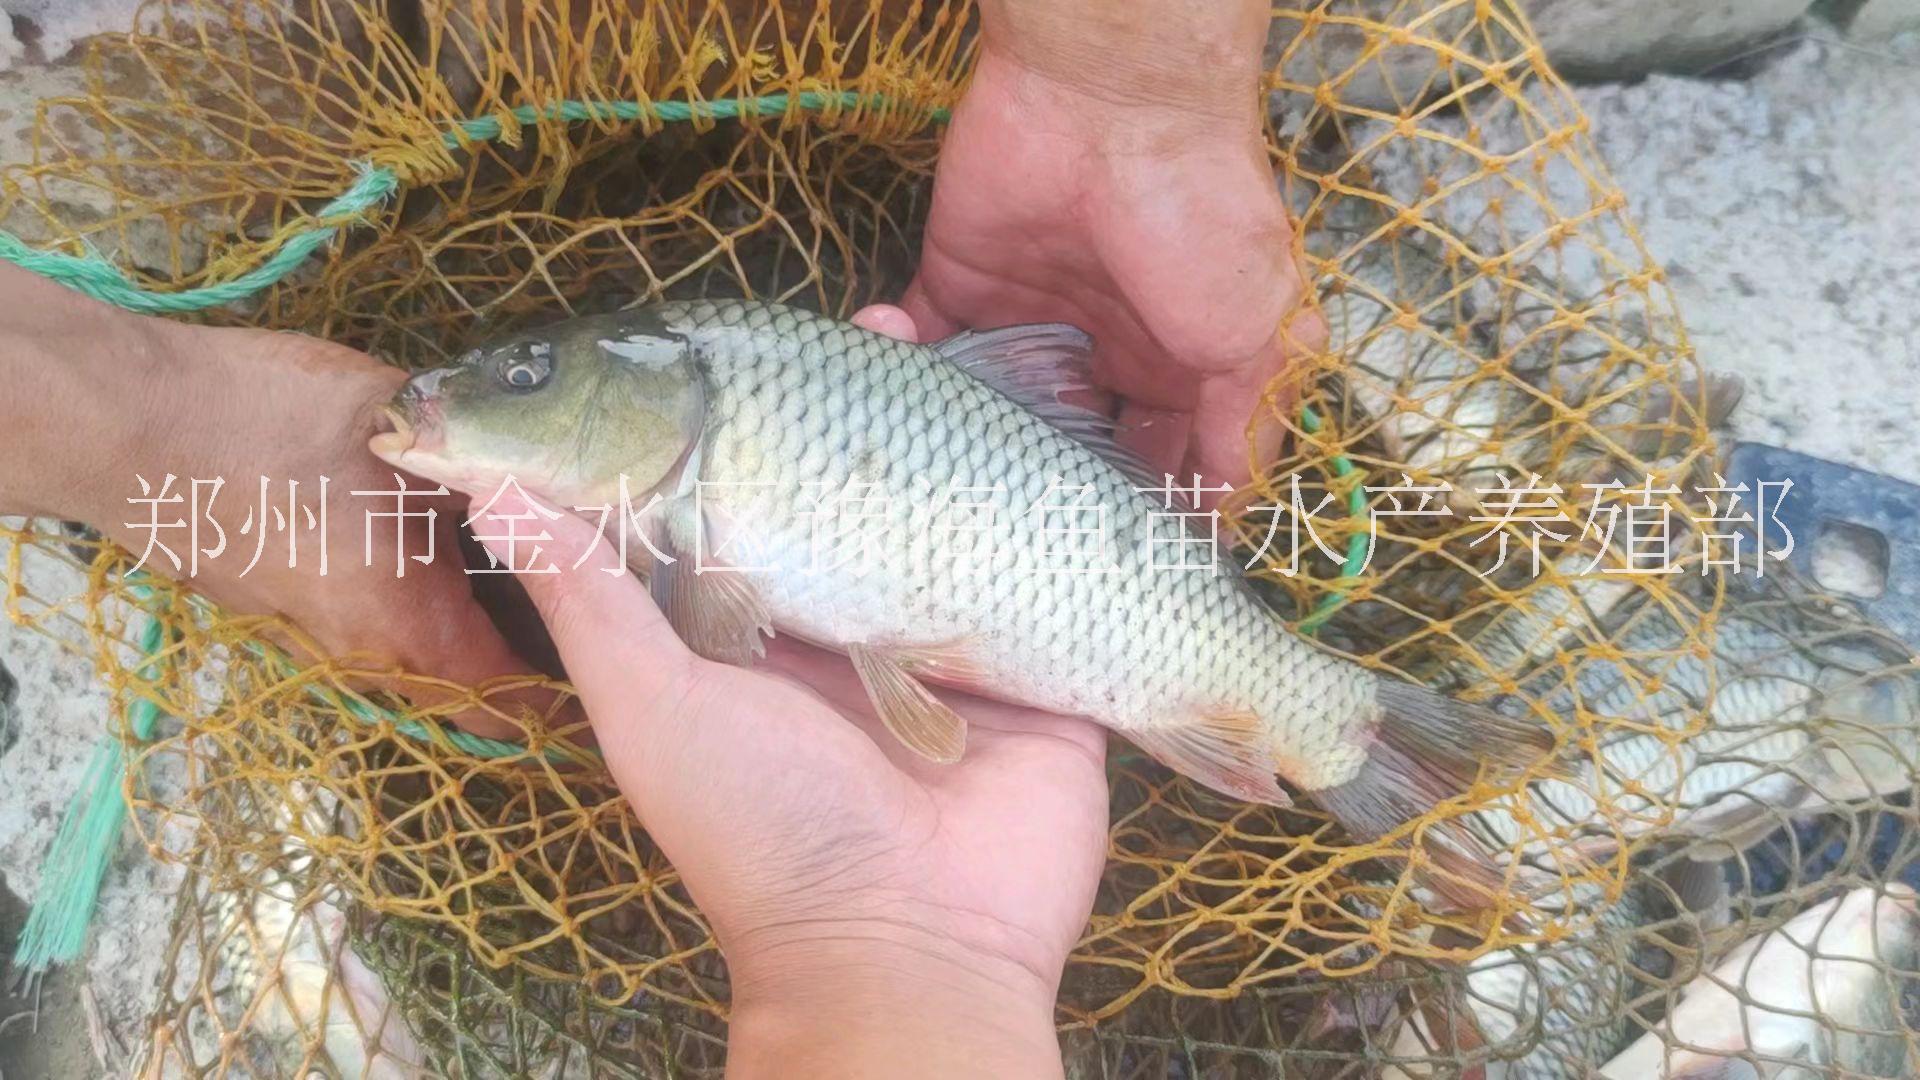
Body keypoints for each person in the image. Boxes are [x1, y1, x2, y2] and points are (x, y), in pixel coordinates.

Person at [0, 1, 1319, 1073]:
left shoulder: (715, 446)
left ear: (656, 403)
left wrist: (1133, 84)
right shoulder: (685, 463)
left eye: (523, 375)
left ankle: (1338, 728)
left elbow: (726, 620)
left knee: (1295, 716)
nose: (479, 385)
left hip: (1093, 592)